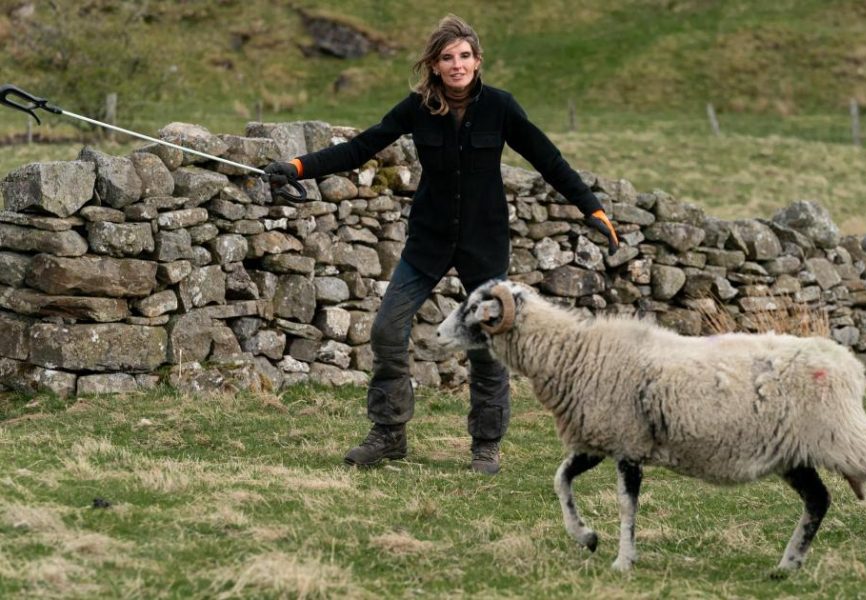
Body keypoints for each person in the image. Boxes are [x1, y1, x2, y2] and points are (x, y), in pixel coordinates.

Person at [265, 14, 619, 475]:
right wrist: (295, 166)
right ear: (434, 65)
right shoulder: (415, 109)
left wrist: (590, 207)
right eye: (448, 58)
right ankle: (389, 433)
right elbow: (359, 148)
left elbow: (549, 160)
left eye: (465, 56)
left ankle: (486, 445)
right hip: (428, 241)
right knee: (387, 329)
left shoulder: (501, 107)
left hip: (483, 243)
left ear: (477, 61)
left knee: (487, 342)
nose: (458, 65)